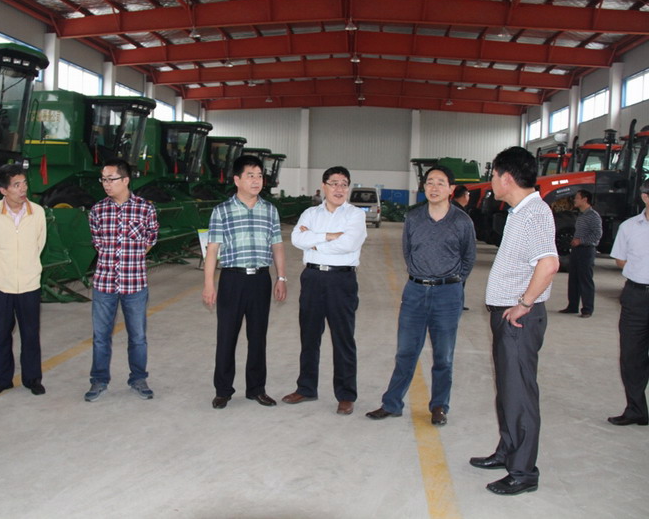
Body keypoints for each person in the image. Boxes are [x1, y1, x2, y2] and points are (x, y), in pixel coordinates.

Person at [469, 146, 559, 496]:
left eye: (492, 175)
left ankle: (523, 472)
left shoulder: (534, 213)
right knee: (508, 390)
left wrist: (524, 303)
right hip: (507, 316)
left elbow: (549, 264)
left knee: (519, 394)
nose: (491, 182)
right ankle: (508, 451)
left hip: (519, 320)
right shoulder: (521, 212)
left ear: (506, 178)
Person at [366, 165, 475, 426]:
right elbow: (408, 252)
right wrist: (422, 277)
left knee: (443, 356)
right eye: (430, 182)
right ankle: (392, 404)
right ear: (424, 187)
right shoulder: (414, 218)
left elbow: (468, 258)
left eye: (440, 183)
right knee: (405, 351)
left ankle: (439, 406)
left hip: (447, 294)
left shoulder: (462, 221)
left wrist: (450, 282)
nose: (434, 187)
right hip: (415, 291)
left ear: (451, 189)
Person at [203, 155, 287, 410]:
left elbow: (277, 245)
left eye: (259, 176)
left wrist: (281, 277)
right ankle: (223, 390)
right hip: (232, 279)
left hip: (261, 279)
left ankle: (256, 389)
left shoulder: (269, 210)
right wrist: (209, 284)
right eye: (250, 175)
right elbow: (212, 249)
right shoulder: (222, 210)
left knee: (258, 337)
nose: (256, 180)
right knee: (226, 336)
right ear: (237, 180)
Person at [282, 166, 367, 415]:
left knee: (343, 338)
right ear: (323, 186)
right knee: (309, 336)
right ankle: (306, 388)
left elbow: (348, 244)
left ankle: (346, 394)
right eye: (334, 183)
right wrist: (330, 236)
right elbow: (297, 239)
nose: (339, 189)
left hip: (342, 280)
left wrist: (315, 241)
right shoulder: (310, 213)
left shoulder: (355, 215)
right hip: (312, 278)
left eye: (344, 184)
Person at [84, 159, 159, 402]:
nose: (106, 184)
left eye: (111, 179)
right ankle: (99, 380)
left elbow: (151, 239)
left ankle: (138, 378)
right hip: (104, 283)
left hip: (134, 283)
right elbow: (97, 243)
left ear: (125, 180)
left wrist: (131, 258)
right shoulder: (97, 210)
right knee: (100, 337)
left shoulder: (145, 208)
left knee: (137, 337)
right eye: (103, 180)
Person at [0, 164, 47, 396]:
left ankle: (32, 379)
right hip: (2, 284)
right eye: (16, 185)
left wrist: (29, 268)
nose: (23, 189)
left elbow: (39, 244)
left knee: (31, 334)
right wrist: (1, 271)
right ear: (3, 190)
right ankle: (2, 379)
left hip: (29, 283)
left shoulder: (37, 212)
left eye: (24, 183)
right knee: (2, 335)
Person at [607, 180, 649, 427]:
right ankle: (636, 409)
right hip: (636, 296)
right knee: (631, 355)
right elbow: (620, 260)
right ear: (645, 197)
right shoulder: (629, 227)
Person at [558, 189, 602, 318]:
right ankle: (572, 306)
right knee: (574, 279)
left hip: (586, 251)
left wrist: (581, 241)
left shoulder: (593, 216)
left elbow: (597, 235)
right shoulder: (581, 215)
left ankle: (587, 309)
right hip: (577, 250)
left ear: (585, 199)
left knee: (585, 280)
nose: (574, 200)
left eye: (577, 198)